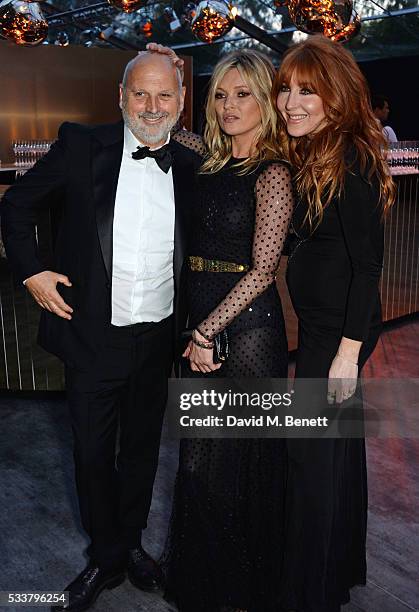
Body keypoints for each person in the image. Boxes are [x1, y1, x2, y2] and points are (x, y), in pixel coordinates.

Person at [1, 52, 201, 612]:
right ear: (121, 96)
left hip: (157, 336)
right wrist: (32, 271)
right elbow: (16, 205)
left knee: (141, 452)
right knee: (91, 455)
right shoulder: (80, 146)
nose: (153, 107)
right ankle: (104, 556)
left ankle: (131, 546)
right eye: (141, 94)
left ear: (182, 103)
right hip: (92, 338)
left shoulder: (191, 167)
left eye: (165, 96)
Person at [150, 45, 293, 611]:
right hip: (202, 317)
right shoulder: (206, 158)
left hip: (249, 329)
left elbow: (264, 270)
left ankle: (242, 583)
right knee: (198, 458)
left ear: (265, 100)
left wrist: (206, 332)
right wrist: (168, 69)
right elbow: (157, 117)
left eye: (244, 95)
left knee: (239, 458)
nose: (231, 106)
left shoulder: (275, 172)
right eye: (222, 95)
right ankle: (204, 578)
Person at [273, 36, 395, 611]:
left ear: (335, 97)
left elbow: (369, 264)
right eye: (285, 91)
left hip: (339, 334)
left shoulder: (349, 155)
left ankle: (310, 592)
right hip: (326, 325)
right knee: (334, 448)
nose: (291, 103)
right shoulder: (316, 151)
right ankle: (332, 570)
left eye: (306, 91)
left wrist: (347, 355)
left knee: (311, 452)